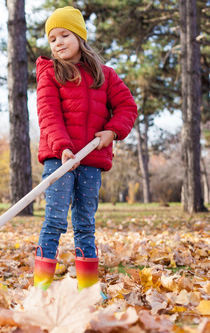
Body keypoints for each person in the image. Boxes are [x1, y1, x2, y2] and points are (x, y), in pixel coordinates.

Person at [33, 6, 138, 291]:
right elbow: (49, 114)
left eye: (64, 35)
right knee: (54, 220)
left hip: (91, 160)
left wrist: (112, 131)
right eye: (52, 38)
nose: (58, 43)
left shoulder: (104, 75)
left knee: (84, 222)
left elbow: (127, 106)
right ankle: (41, 288)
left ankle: (88, 289)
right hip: (59, 159)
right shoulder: (50, 74)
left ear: (79, 36)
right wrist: (63, 148)